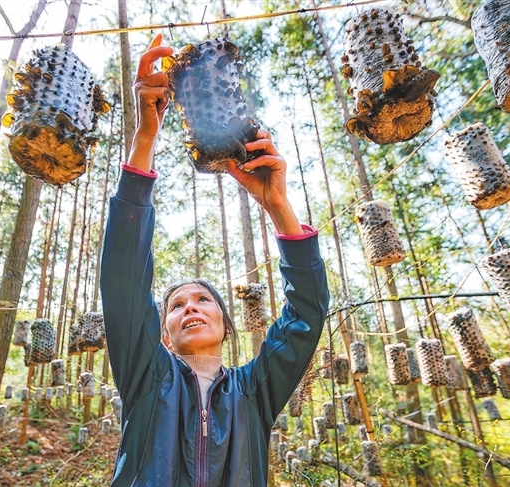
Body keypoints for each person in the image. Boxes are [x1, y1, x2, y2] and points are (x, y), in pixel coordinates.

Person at [100, 34, 330, 487]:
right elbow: (123, 280)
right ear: (161, 333)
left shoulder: (255, 390)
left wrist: (277, 206)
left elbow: (307, 314)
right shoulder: (148, 377)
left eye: (203, 300)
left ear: (226, 323)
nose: (190, 307)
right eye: (176, 305)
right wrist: (145, 138)